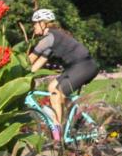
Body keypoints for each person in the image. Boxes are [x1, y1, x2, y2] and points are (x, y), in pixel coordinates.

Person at [27, 9, 100, 140]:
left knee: (56, 93)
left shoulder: (49, 38)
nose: (34, 26)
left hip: (84, 66)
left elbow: (31, 59)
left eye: (35, 23)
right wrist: (27, 75)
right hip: (78, 66)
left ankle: (58, 133)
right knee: (51, 87)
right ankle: (77, 119)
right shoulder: (53, 38)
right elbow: (39, 62)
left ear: (43, 23)